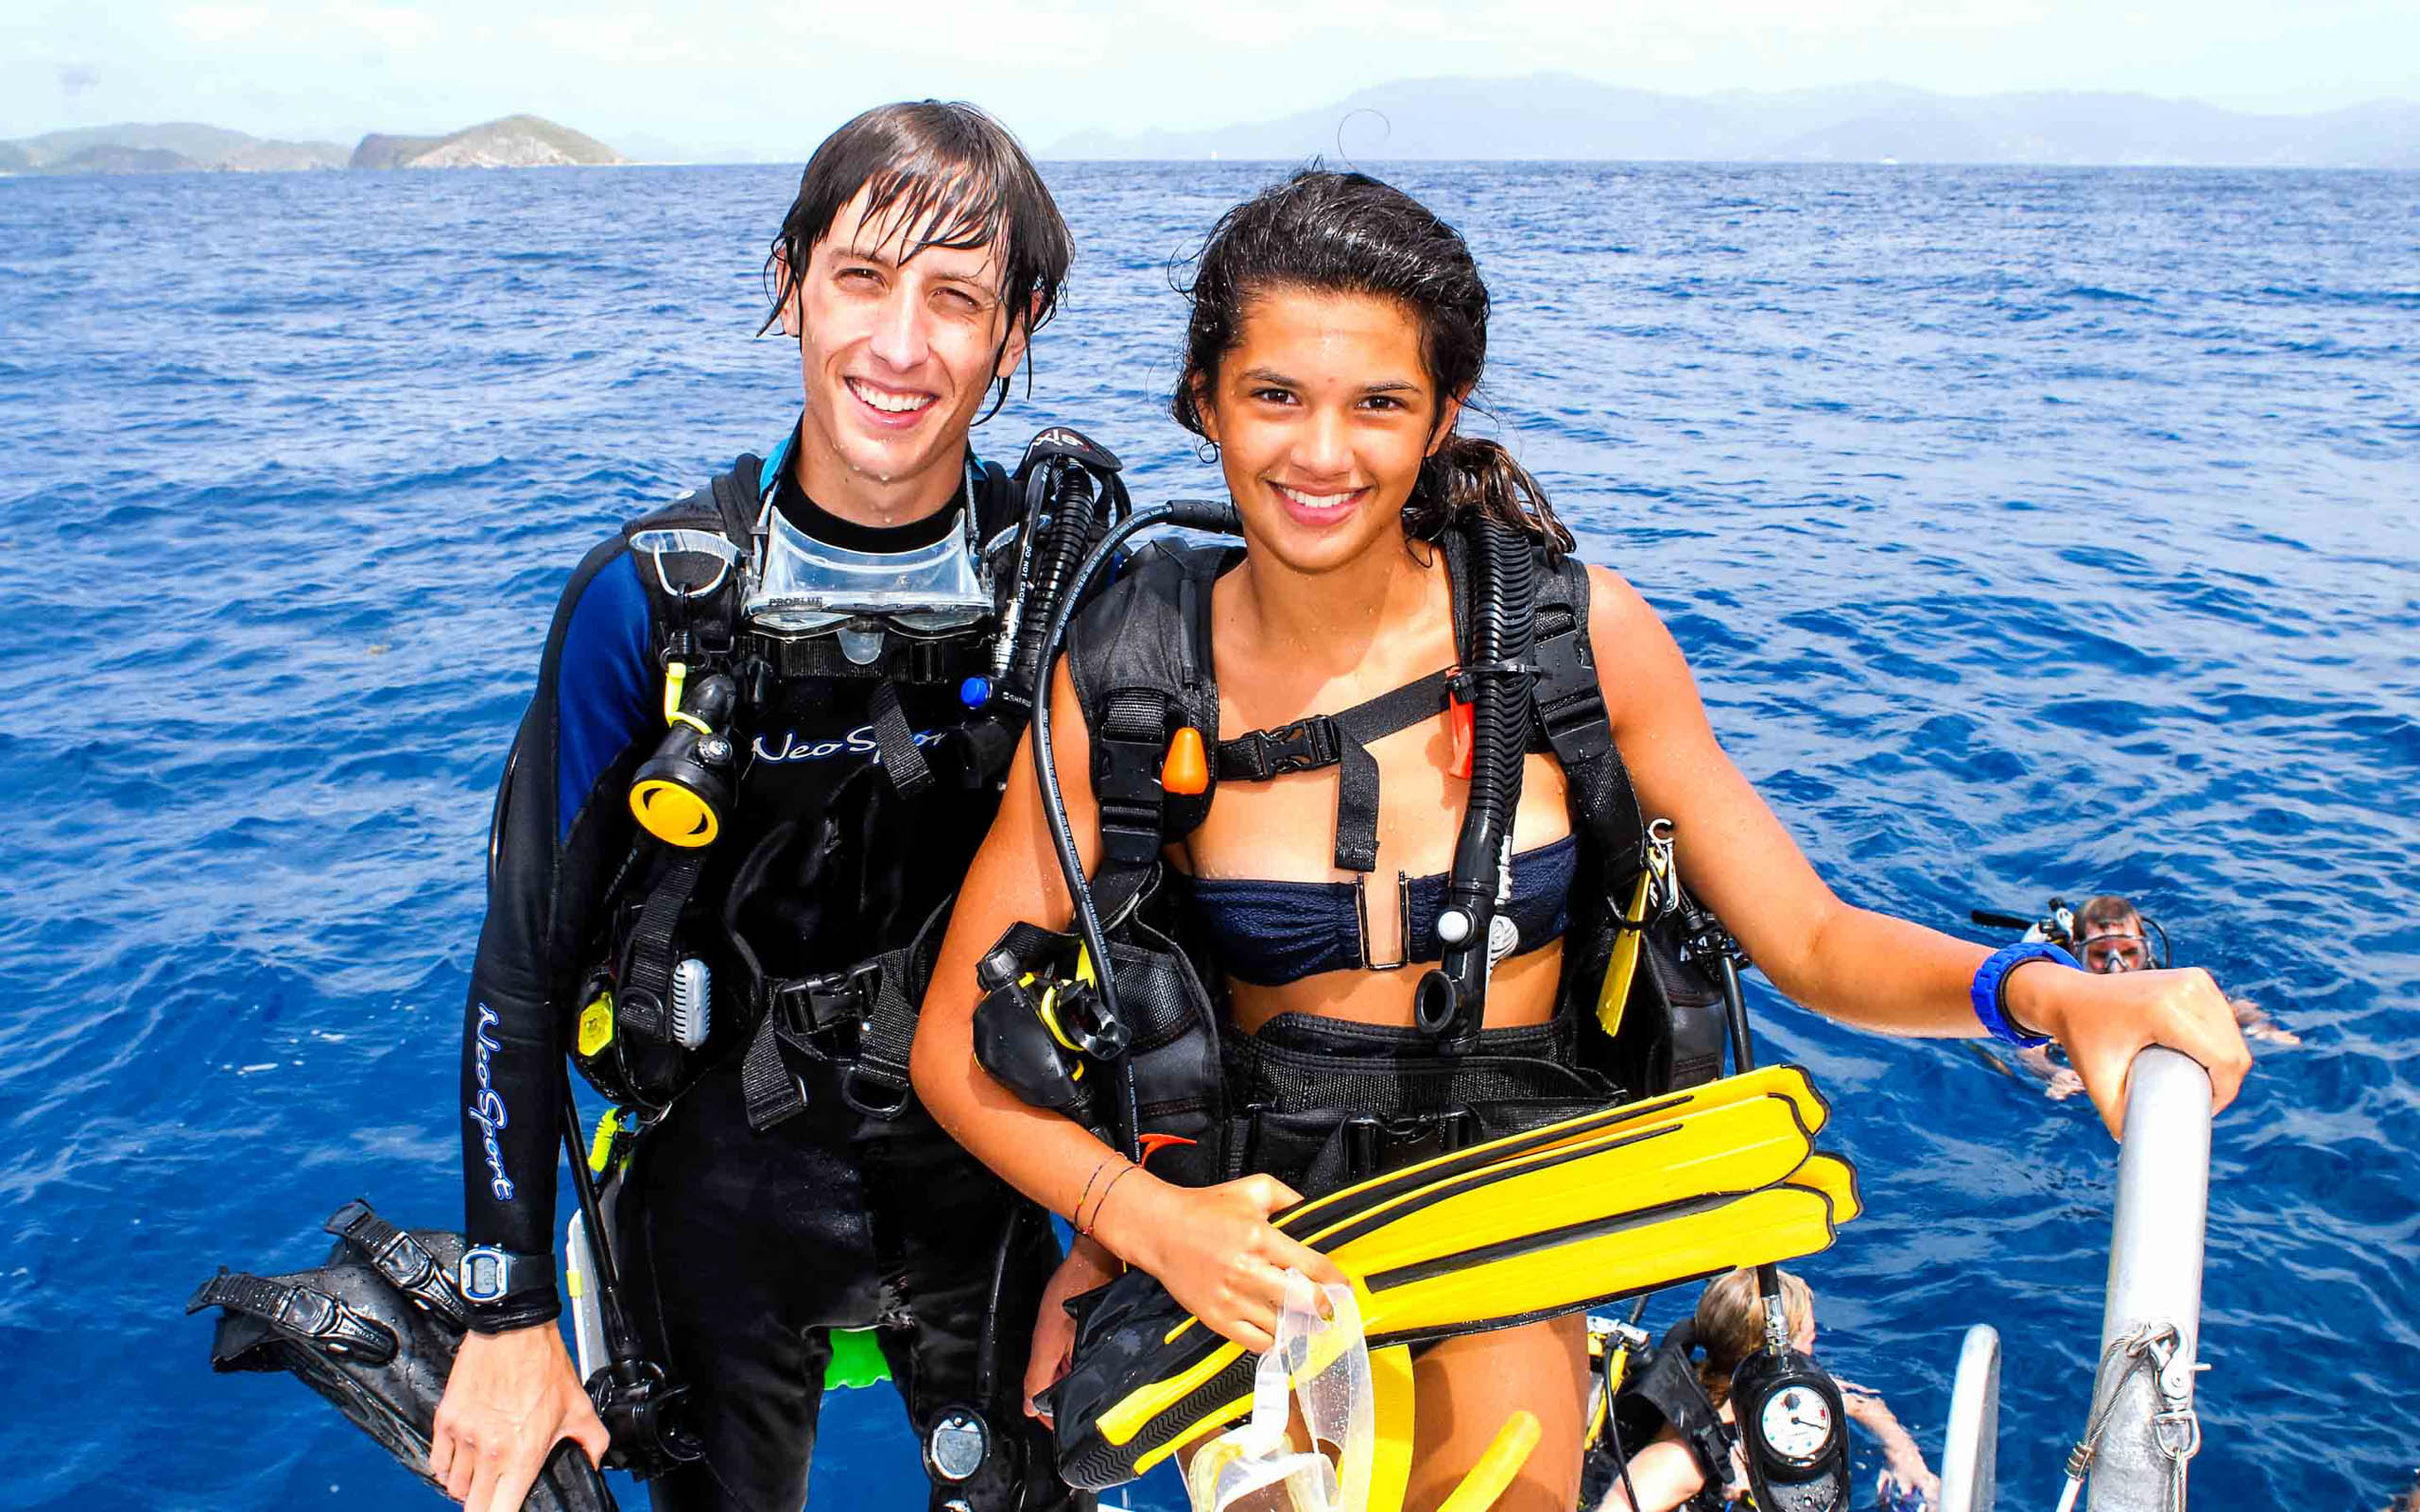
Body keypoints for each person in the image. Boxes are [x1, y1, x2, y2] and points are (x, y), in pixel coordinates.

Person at [908, 167, 2251, 1512]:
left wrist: (2041, 990)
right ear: (1202, 397)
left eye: (1379, 402)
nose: (1323, 454)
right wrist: (1135, 1221)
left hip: (1511, 1201)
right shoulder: (1133, 670)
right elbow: (951, 1055)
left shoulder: (1576, 640)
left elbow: (1816, 940)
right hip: (1250, 1234)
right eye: (1275, 396)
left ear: (1444, 416)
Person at [430, 101, 1097, 1512]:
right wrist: (504, 1316)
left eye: (958, 298)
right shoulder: (650, 600)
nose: (899, 345)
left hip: (981, 1178)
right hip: (713, 1192)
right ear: (790, 280)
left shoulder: (1066, 603)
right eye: (859, 278)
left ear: (1017, 330)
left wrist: (1116, 1241)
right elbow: (520, 966)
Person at [1594, 1270, 1938, 1512]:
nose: (1814, 1341)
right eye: (1807, 1336)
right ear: (1767, 1355)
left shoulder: (1778, 1394)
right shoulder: (1683, 1458)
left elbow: (1862, 1405)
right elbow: (1619, 1504)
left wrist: (1906, 1460)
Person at [2005, 893, 2295, 1102]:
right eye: (2099, 956)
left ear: (2146, 949)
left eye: (2130, 953)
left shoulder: (2157, 977)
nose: (2116, 967)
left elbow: (2229, 1007)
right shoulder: (2061, 988)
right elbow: (2029, 1051)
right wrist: (2053, 1072)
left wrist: (2262, 1026)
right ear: (2077, 951)